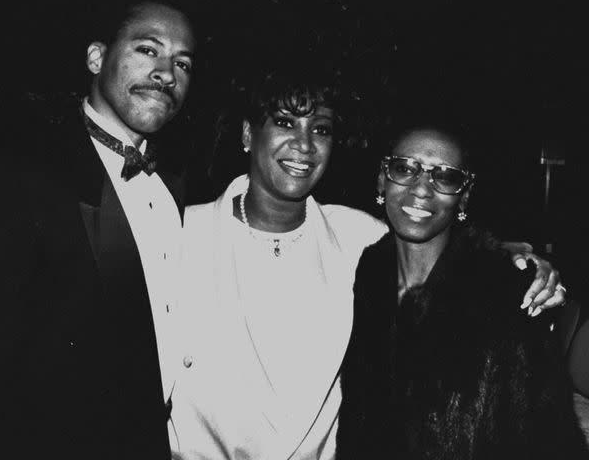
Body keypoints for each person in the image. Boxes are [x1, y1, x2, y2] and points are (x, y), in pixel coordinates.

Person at [169, 60, 565, 459]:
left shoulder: (354, 236)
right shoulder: (177, 235)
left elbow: (440, 254)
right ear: (247, 134)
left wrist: (515, 267)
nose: (304, 145)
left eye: (320, 129)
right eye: (285, 122)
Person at [0, 0, 195, 460]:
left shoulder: (184, 187)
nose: (167, 74)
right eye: (147, 49)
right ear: (96, 57)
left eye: (183, 63)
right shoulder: (14, 175)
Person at [336, 118, 588, 458]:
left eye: (445, 176)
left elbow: (552, 440)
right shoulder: (364, 274)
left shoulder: (509, 296)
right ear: (382, 180)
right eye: (405, 168)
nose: (422, 188)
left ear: (464, 198)